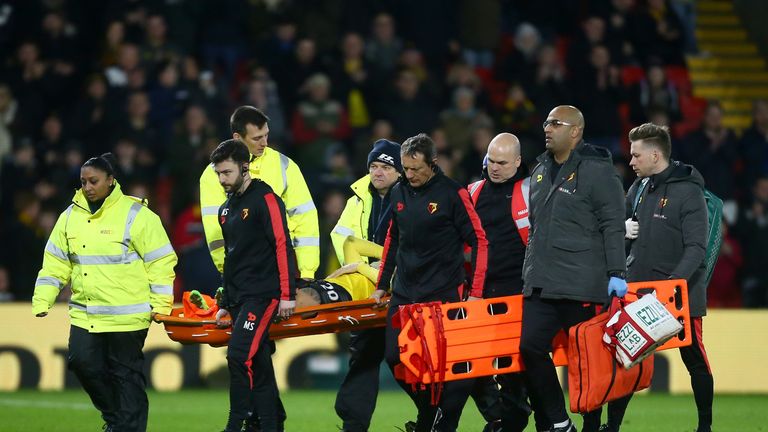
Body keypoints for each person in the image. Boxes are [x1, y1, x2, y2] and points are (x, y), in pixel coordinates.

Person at [32, 153, 177, 432]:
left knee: (126, 377)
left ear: (111, 181)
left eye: (94, 181)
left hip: (128, 315)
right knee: (81, 363)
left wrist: (161, 304)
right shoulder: (69, 217)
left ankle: (126, 427)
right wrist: (43, 298)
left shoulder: (137, 215)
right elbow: (55, 262)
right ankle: (117, 421)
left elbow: (160, 260)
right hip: (86, 315)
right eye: (83, 181)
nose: (87, 187)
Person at [520, 105, 627, 432]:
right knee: (529, 348)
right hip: (541, 283)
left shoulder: (597, 171)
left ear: (576, 131)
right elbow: (537, 225)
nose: (547, 128)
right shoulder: (538, 169)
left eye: (556, 123)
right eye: (546, 122)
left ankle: (592, 425)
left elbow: (613, 224)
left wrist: (617, 273)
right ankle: (559, 420)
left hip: (582, 282)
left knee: (587, 361)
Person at [375, 133, 489, 432]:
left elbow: (478, 240)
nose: (409, 175)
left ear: (433, 164)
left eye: (415, 169)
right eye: (405, 168)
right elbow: (393, 239)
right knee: (394, 358)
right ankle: (430, 413)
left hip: (441, 294)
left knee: (442, 369)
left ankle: (433, 421)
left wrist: (475, 292)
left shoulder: (452, 193)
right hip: (404, 293)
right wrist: (381, 283)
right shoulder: (399, 191)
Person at [604, 123, 711, 432]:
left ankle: (705, 426)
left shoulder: (690, 191)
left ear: (655, 155)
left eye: (636, 156)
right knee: (626, 360)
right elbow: (617, 234)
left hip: (680, 297)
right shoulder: (638, 188)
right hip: (638, 293)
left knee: (695, 362)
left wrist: (671, 289)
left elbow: (696, 248)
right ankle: (612, 427)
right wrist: (622, 229)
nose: (631, 161)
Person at [209, 139, 297, 432]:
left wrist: (287, 295)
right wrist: (224, 303)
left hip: (264, 295)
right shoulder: (225, 209)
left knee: (238, 355)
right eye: (218, 174)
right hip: (240, 298)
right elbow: (231, 260)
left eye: (227, 173)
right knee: (258, 363)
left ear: (244, 167)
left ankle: (236, 424)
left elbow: (282, 245)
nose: (222, 180)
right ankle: (271, 425)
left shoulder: (266, 199)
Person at [466, 133, 546, 432]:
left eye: (502, 162)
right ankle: (503, 418)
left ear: (517, 162)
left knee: (518, 366)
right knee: (472, 366)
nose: (494, 167)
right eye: (491, 161)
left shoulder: (530, 192)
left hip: (519, 292)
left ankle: (516, 421)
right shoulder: (473, 192)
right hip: (481, 292)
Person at [330, 138, 402, 432]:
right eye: (374, 165)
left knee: (404, 359)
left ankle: (434, 417)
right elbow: (342, 239)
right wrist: (364, 275)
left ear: (399, 171)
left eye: (386, 166)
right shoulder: (357, 200)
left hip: (402, 290)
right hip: (371, 290)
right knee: (363, 357)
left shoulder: (409, 198)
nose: (378, 172)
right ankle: (353, 426)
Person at [200, 105, 319, 279]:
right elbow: (215, 230)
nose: (265, 143)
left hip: (284, 264)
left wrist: (307, 271)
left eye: (266, 135)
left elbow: (305, 218)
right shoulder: (214, 174)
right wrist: (227, 271)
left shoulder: (284, 166)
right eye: (257, 138)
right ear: (237, 138)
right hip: (241, 270)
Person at [295, 236, 384, 308]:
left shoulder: (391, 279)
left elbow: (385, 282)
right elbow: (350, 242)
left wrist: (357, 266)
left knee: (305, 299)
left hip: (341, 294)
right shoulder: (360, 267)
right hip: (326, 284)